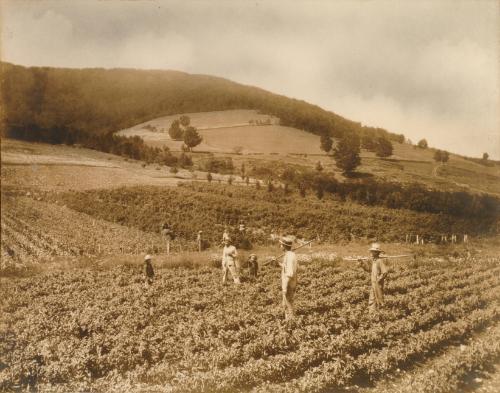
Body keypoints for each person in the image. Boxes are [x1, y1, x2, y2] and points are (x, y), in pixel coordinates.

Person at [358, 243, 389, 313]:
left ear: (377, 253)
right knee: (373, 298)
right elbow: (369, 269)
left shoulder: (379, 261)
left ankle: (377, 312)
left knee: (378, 297)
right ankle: (373, 313)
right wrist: (362, 263)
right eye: (371, 251)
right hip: (373, 283)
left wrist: (379, 279)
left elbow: (385, 272)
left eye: (373, 251)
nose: (371, 252)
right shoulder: (373, 261)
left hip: (378, 284)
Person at [276, 236, 298, 320]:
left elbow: (289, 273)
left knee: (288, 303)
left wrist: (284, 287)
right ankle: (289, 319)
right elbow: (287, 267)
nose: (280, 246)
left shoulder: (290, 256)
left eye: (281, 245)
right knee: (287, 303)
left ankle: (290, 321)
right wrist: (279, 263)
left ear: (284, 246)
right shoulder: (291, 255)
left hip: (289, 283)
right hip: (291, 282)